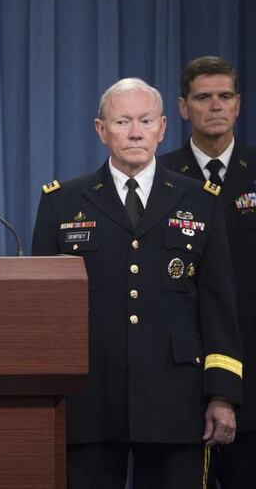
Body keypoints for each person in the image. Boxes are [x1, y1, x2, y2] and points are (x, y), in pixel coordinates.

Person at [31, 78, 242, 488]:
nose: (135, 132)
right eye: (122, 121)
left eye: (145, 121)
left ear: (163, 127)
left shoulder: (200, 200)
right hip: (89, 398)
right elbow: (45, 312)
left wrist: (222, 394)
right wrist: (46, 395)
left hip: (177, 397)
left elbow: (218, 305)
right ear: (100, 129)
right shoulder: (63, 202)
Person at [160, 56, 254, 487]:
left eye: (225, 96)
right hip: (184, 376)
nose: (215, 106)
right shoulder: (157, 179)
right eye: (203, 97)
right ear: (183, 107)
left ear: (238, 105)